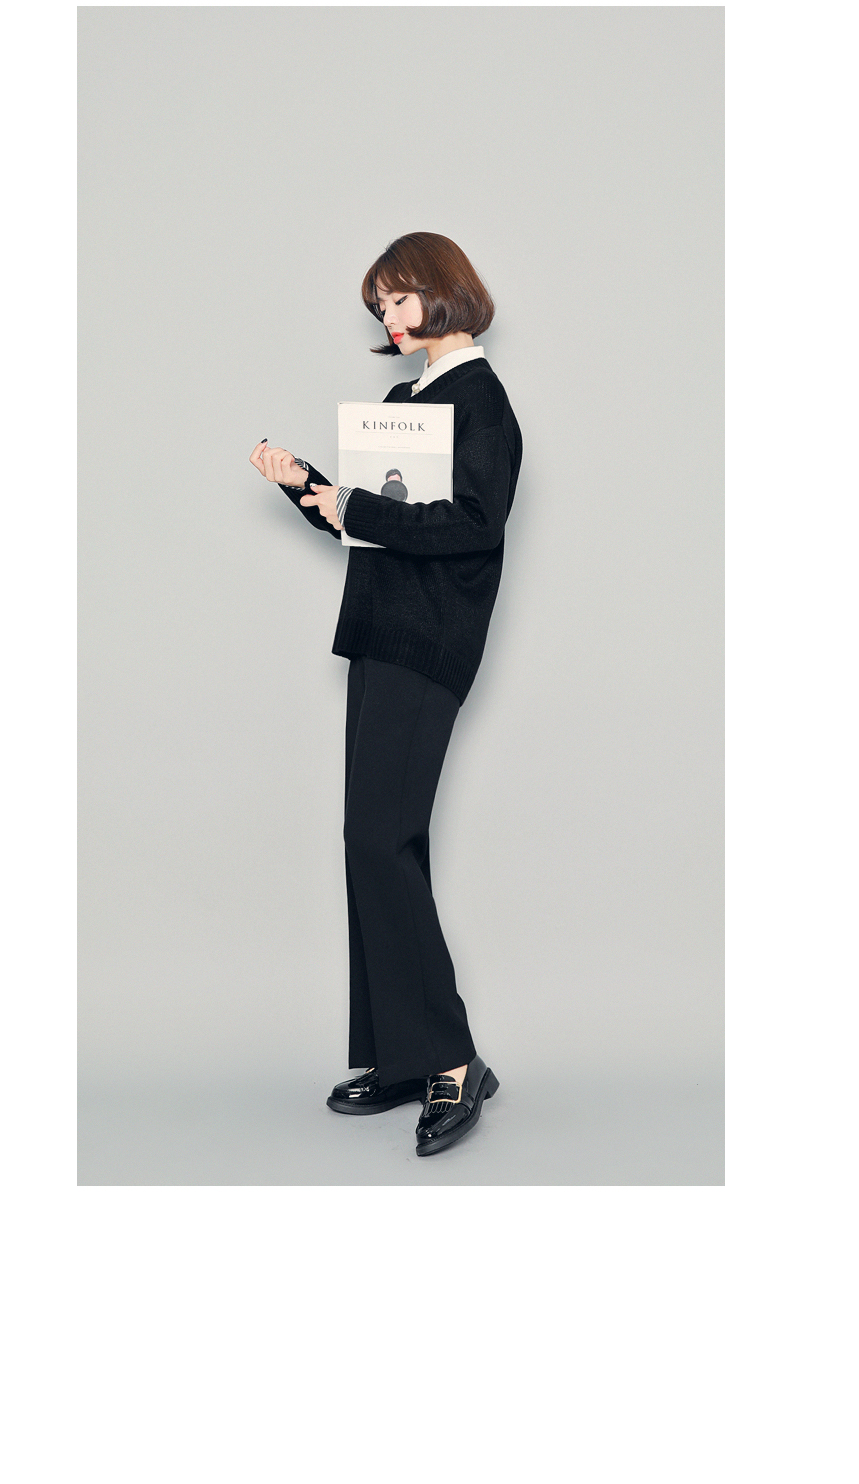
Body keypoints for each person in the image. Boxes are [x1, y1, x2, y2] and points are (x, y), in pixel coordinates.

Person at [248, 232, 522, 1156]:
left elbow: (473, 526)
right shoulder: (407, 402)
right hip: (378, 636)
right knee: (373, 842)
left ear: (445, 292)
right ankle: (404, 1058)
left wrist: (358, 506)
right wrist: (310, 490)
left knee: (379, 838)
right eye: (379, 305)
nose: (389, 318)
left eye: (400, 299)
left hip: (429, 644)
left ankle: (452, 1061)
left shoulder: (481, 401)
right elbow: (379, 524)